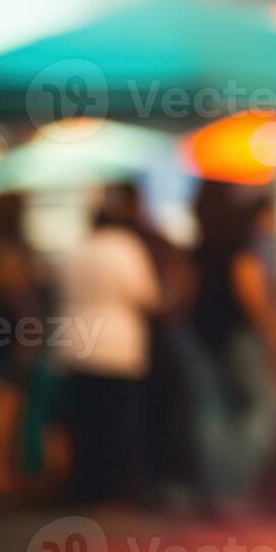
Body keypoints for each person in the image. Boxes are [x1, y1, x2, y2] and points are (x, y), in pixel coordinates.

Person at [52, 188, 161, 503]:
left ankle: (82, 486)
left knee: (82, 422)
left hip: (74, 342)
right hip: (117, 346)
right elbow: (146, 296)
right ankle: (110, 487)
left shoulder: (74, 250)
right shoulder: (126, 249)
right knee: (113, 422)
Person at [184, 183, 276, 513]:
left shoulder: (199, 247)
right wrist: (272, 330)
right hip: (239, 334)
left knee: (209, 411)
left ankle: (215, 488)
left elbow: (184, 291)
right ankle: (235, 486)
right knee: (261, 408)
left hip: (200, 334)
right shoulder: (238, 243)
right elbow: (249, 289)